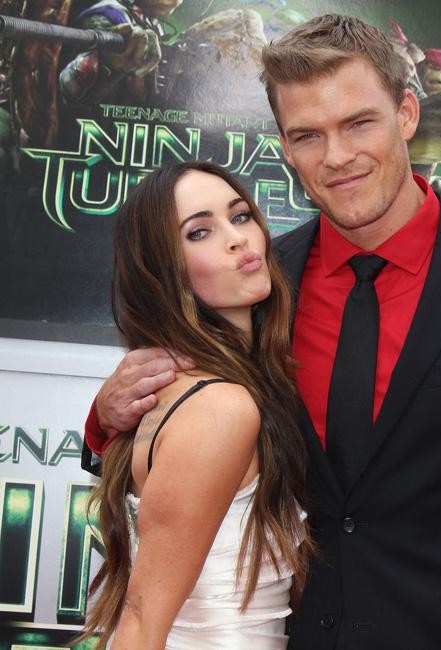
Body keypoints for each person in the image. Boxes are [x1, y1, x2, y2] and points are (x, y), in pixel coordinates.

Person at [84, 14, 441, 649]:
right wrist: (106, 421)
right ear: (285, 147)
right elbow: (187, 458)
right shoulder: (255, 286)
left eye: (359, 123)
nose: (336, 157)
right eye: (308, 135)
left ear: (407, 114)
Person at [80, 160, 312, 649]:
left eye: (240, 216)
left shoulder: (217, 389)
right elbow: (141, 621)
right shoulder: (220, 407)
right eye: (200, 231)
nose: (237, 239)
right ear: (164, 271)